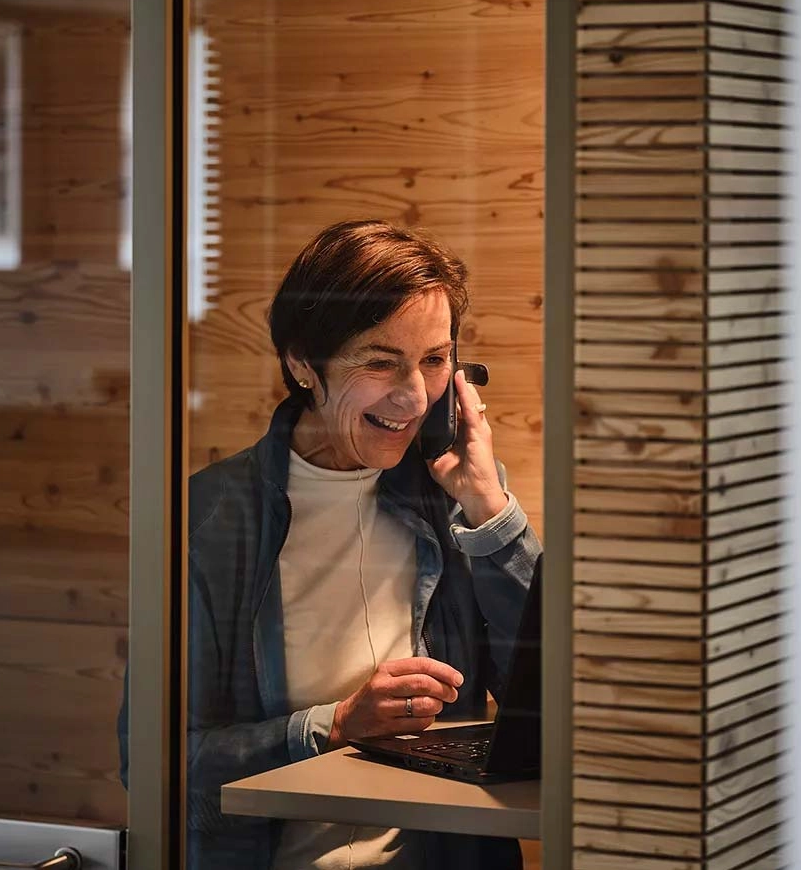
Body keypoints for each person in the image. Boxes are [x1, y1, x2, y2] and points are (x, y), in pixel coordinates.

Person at [118, 219, 541, 870]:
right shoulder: (209, 521)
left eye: (434, 361)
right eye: (381, 362)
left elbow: (560, 692)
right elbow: (149, 760)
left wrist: (490, 509)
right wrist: (335, 725)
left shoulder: (455, 501)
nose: (413, 395)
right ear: (301, 364)